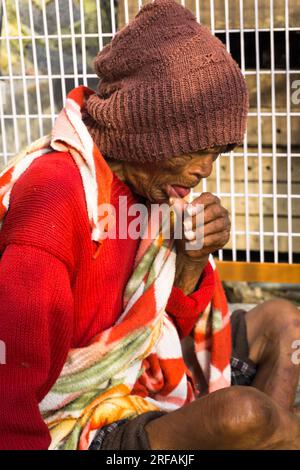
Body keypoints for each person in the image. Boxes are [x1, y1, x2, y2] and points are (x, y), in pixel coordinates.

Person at [0, 0, 299, 450]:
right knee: (241, 416)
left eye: (217, 155)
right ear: (151, 133)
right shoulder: (54, 199)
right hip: (73, 414)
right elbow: (10, 385)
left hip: (139, 371)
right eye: (200, 151)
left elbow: (168, 327)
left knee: (285, 324)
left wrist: (192, 261)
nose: (205, 172)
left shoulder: (150, 191)